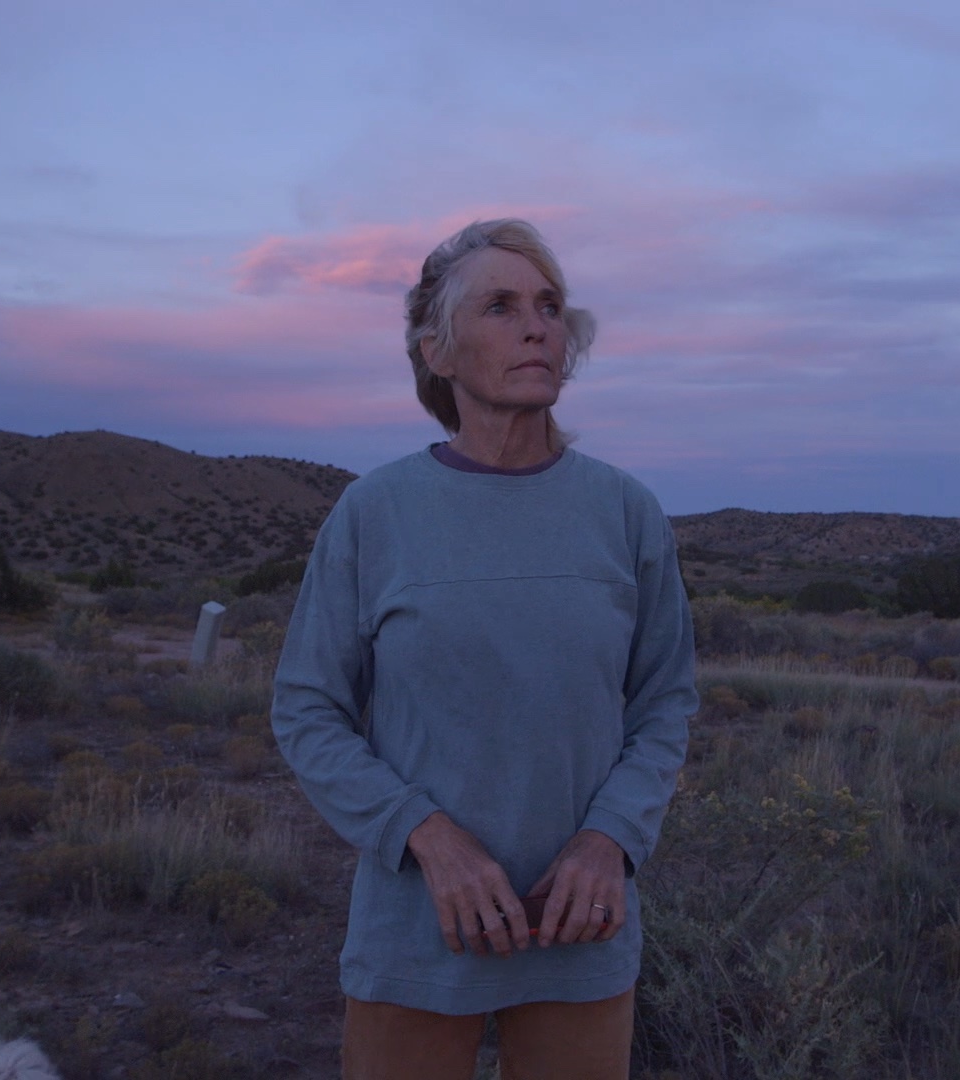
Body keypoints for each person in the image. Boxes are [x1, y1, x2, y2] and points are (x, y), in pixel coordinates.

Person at [270, 218, 697, 1080]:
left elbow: (664, 701)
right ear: (438, 350)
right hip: (419, 925)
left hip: (582, 923)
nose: (538, 326)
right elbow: (307, 707)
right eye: (501, 306)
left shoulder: (624, 512)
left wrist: (606, 841)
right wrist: (427, 837)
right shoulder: (376, 513)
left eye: (549, 305)